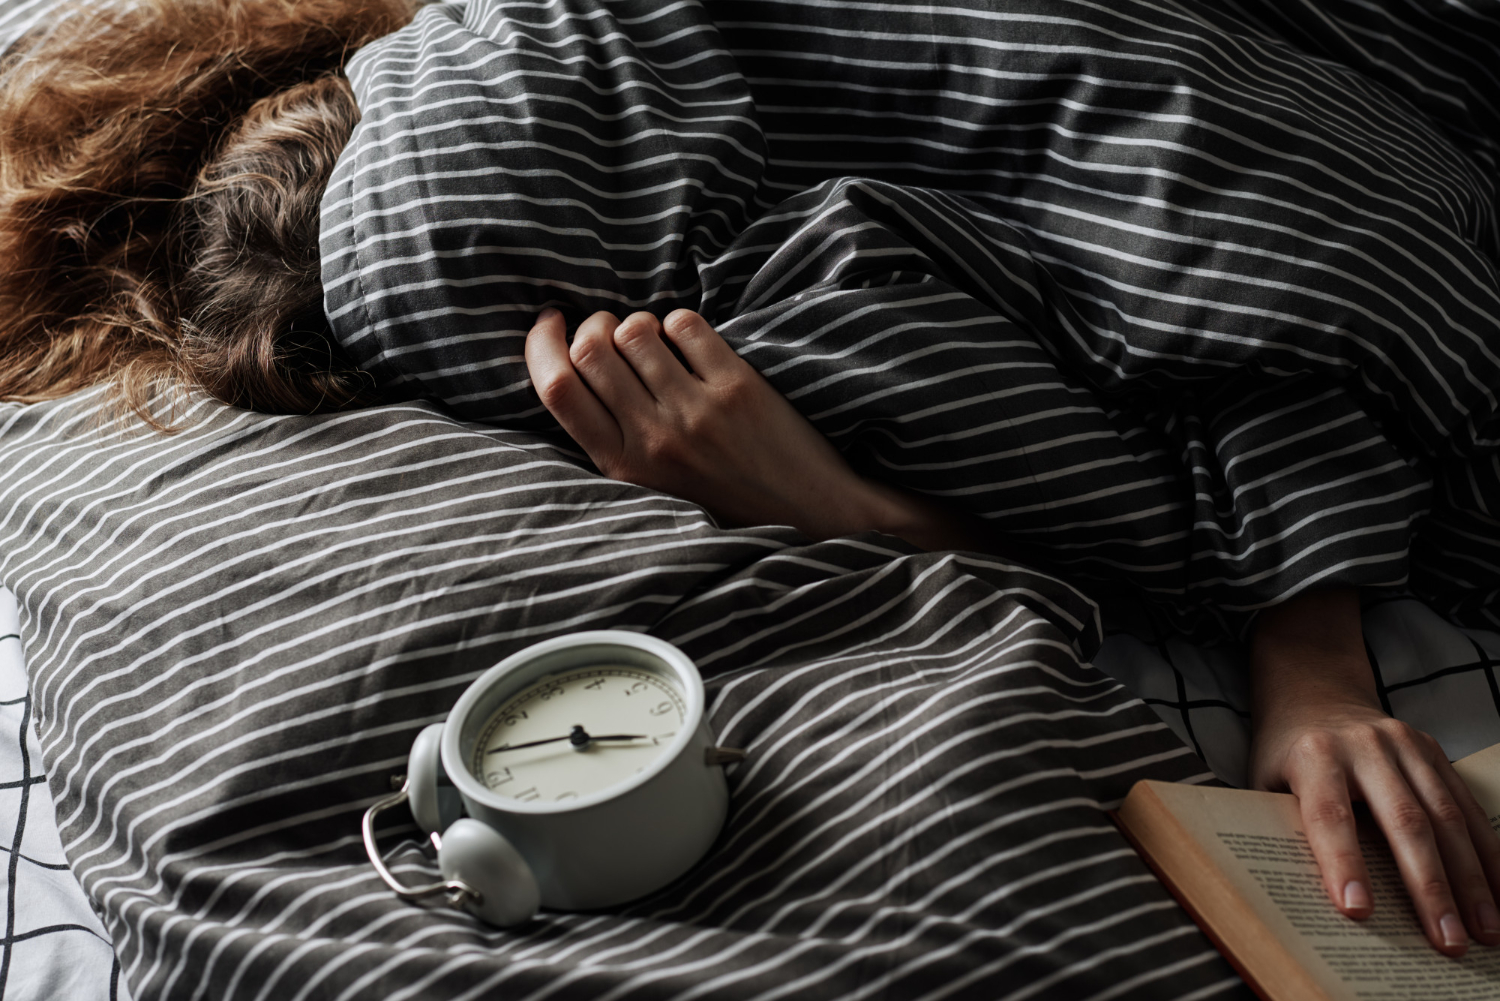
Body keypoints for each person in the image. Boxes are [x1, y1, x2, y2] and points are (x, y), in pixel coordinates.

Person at [0, 0, 1497, 960]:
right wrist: (846, 515)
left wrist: (1311, 646)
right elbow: (987, 357)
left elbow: (1265, 171)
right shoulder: (494, 287)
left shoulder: (477, 170)